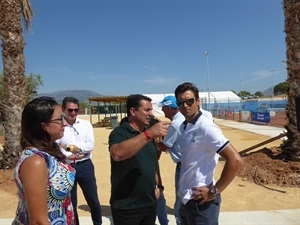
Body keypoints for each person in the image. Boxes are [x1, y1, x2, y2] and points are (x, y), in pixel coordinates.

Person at [174, 82, 244, 225]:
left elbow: (236, 160)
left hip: (202, 203)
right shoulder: (185, 126)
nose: (185, 105)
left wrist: (214, 192)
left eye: (189, 101)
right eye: (181, 102)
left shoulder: (206, 128)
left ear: (198, 101)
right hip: (186, 199)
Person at [12, 96, 76, 225]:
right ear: (44, 126)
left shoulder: (50, 150)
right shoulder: (35, 162)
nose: (64, 123)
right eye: (59, 119)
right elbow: (38, 221)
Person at [108, 94, 169, 225]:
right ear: (133, 111)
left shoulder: (148, 128)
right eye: (147, 110)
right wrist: (149, 134)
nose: (151, 114)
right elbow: (117, 154)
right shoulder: (119, 133)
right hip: (127, 208)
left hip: (150, 204)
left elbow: (153, 162)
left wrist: (159, 186)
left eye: (151, 110)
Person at [156, 95, 214, 225]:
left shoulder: (176, 124)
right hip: (193, 165)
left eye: (164, 108)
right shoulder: (183, 120)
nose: (163, 110)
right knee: (188, 199)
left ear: (169, 108)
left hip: (184, 166)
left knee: (182, 200)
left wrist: (154, 139)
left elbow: (164, 146)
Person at [58, 97, 102, 225]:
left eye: (76, 110)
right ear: (63, 110)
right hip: (67, 167)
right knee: (71, 203)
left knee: (93, 200)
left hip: (85, 166)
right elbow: (55, 146)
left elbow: (90, 145)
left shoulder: (85, 124)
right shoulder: (58, 126)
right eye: (70, 110)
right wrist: (71, 150)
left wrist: (69, 150)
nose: (73, 113)